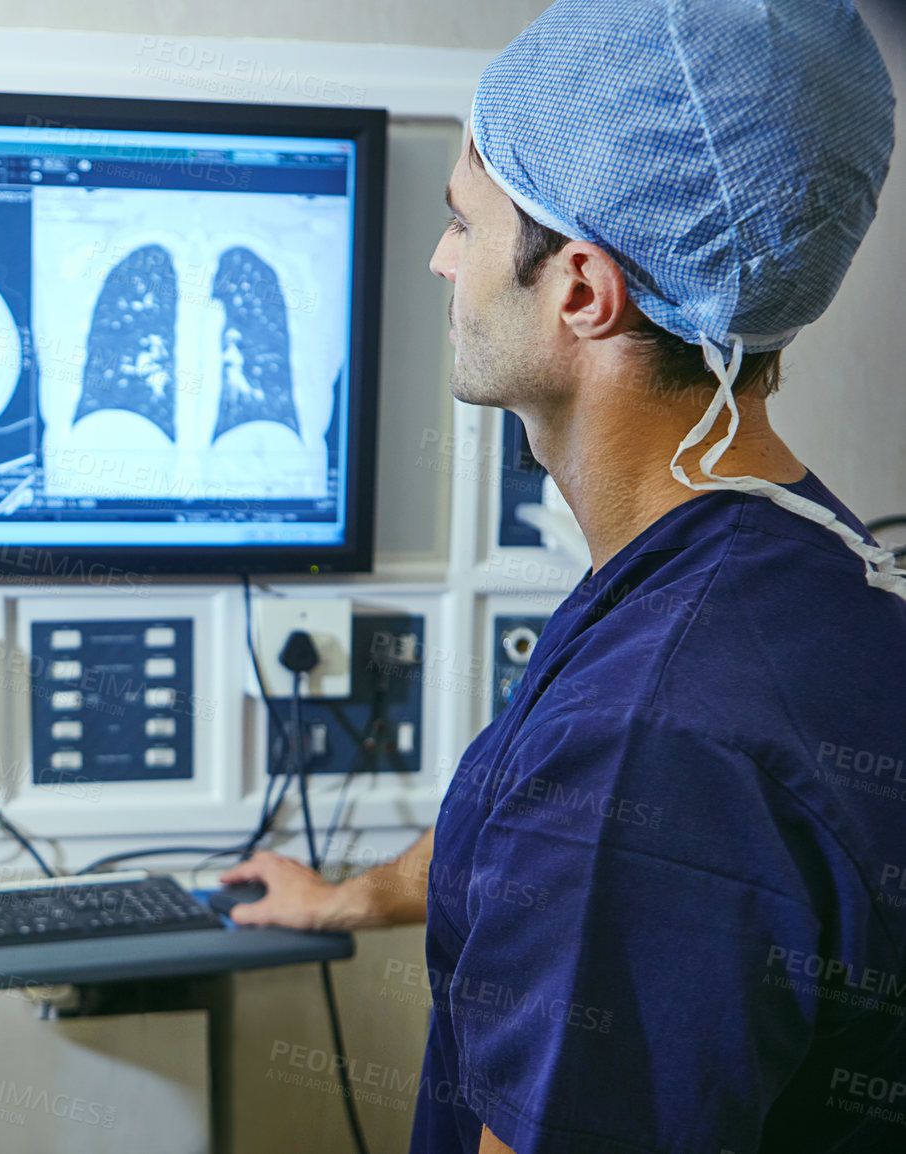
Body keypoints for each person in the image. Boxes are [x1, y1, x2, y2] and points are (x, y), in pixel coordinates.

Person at [224, 2, 906, 1152]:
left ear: (582, 289)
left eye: (462, 222)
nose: (442, 258)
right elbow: (539, 827)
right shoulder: (796, 559)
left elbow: (611, 825)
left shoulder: (651, 733)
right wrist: (352, 897)